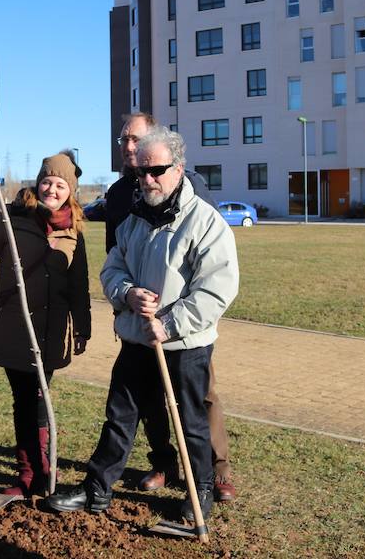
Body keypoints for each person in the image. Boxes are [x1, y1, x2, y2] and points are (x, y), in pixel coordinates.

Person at [47, 127, 239, 522]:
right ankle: (97, 488)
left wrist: (169, 325)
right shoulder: (135, 219)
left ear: (179, 168)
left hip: (185, 346)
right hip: (137, 340)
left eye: (156, 171)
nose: (147, 180)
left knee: (192, 423)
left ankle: (199, 492)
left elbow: (217, 290)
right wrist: (127, 293)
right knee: (120, 416)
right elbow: (113, 268)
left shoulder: (205, 222)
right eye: (141, 173)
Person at [106, 113, 236, 502]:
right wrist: (124, 295)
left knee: (198, 401)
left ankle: (214, 475)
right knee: (146, 400)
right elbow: (117, 256)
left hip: (184, 329)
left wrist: (175, 321)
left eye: (137, 139)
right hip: (138, 320)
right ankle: (164, 462)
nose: (130, 147)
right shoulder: (119, 194)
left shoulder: (192, 190)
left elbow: (210, 262)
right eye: (124, 140)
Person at [0, 151, 91, 497]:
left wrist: (82, 327)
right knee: (26, 398)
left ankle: (43, 472)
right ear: (38, 183)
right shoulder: (11, 216)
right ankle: (30, 473)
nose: (52, 189)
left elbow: (78, 283)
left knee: (40, 397)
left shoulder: (73, 228)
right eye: (47, 181)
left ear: (70, 191)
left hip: (53, 331)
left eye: (60, 184)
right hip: (15, 326)